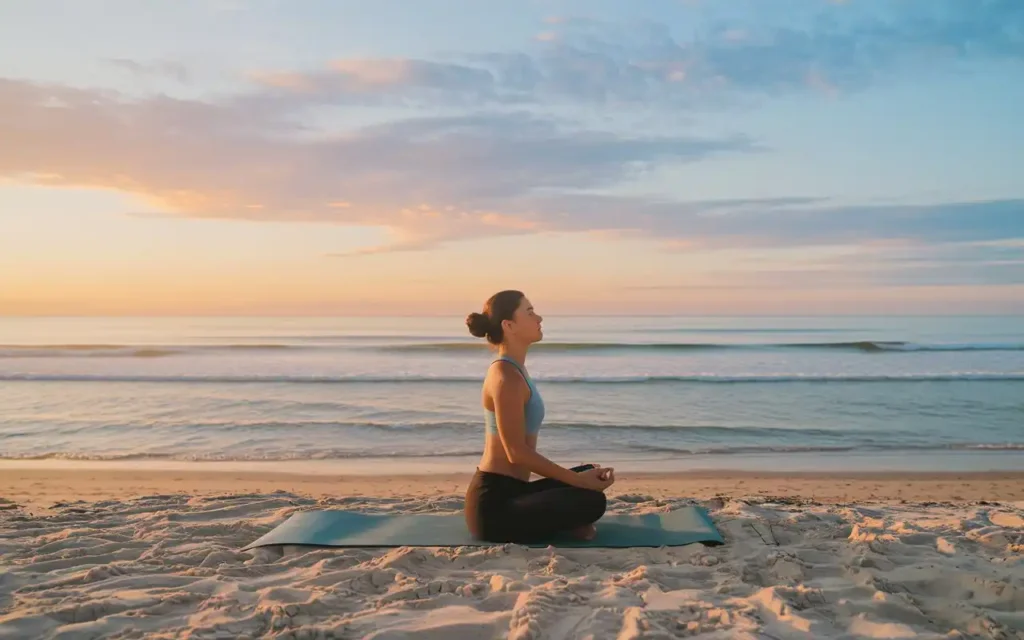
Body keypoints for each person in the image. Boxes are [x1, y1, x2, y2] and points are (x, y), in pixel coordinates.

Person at [462, 289, 614, 543]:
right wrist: (577, 481)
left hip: (516, 490)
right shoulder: (505, 376)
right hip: (495, 506)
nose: (539, 318)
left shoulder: (516, 370)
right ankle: (568, 526)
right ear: (509, 325)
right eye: (530, 312)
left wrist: (580, 477)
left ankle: (566, 523)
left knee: (591, 472)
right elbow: (516, 452)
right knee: (591, 499)